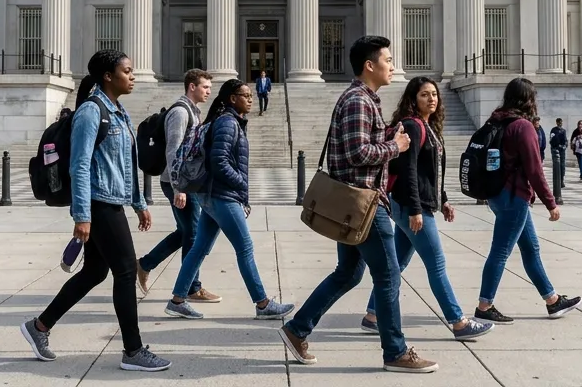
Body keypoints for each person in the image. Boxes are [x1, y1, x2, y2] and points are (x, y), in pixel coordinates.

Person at [280, 36, 438, 374]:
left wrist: (388, 135)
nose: (393, 66)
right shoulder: (358, 100)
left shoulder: (366, 100)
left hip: (355, 203)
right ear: (370, 65)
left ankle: (297, 329)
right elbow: (358, 153)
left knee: (349, 273)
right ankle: (395, 351)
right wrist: (395, 146)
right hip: (363, 204)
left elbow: (362, 145)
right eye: (388, 60)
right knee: (389, 276)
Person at [21, 50, 170, 373]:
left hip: (112, 200)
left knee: (94, 272)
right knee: (127, 272)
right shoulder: (91, 112)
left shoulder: (118, 111)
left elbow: (126, 164)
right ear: (107, 76)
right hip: (99, 205)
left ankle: (40, 327)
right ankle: (132, 350)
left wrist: (140, 203)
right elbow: (79, 166)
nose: (132, 76)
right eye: (127, 71)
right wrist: (82, 215)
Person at [359, 77, 492, 342]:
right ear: (413, 99)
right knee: (437, 264)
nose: (431, 99)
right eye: (424, 95)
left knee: (397, 263)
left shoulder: (429, 127)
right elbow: (408, 172)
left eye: (433, 94)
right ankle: (458, 321)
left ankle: (373, 314)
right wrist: (416, 210)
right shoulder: (412, 126)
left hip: (414, 203)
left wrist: (442, 200)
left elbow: (430, 173)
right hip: (410, 205)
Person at [165, 80, 294, 321]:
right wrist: (242, 184)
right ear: (232, 98)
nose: (251, 98)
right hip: (222, 195)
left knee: (199, 248)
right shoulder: (227, 122)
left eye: (251, 95)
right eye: (245, 95)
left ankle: (177, 300)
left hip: (213, 195)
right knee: (245, 248)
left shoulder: (227, 120)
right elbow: (219, 161)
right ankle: (263, 303)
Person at [475, 78, 582, 325]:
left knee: (530, 248)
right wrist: (551, 202)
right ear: (528, 99)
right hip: (514, 196)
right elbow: (535, 169)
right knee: (500, 251)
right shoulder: (523, 126)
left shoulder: (496, 120)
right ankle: (484, 305)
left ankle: (552, 300)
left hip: (497, 194)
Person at [137, 69, 220, 303]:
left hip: (185, 182)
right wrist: (178, 188)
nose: (208, 92)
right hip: (178, 182)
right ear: (191, 86)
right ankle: (192, 287)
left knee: (185, 232)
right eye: (205, 87)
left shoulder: (193, 111)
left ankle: (144, 264)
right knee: (193, 234)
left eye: (209, 88)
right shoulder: (180, 113)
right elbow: (172, 151)